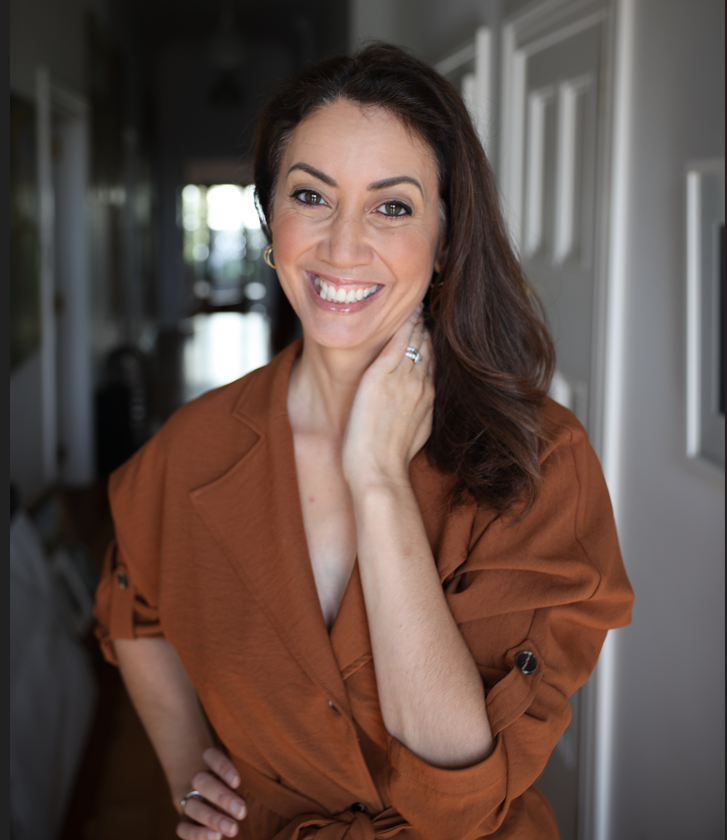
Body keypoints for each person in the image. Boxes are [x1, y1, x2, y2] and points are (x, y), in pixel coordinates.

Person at [94, 43, 633, 840]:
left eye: (392, 207)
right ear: (270, 220)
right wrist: (185, 773)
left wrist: (377, 477)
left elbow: (459, 801)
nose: (342, 247)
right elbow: (129, 605)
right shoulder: (189, 450)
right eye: (311, 195)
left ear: (446, 237)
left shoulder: (539, 461)